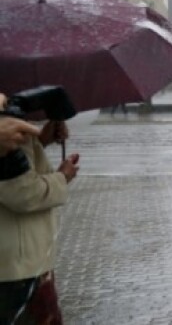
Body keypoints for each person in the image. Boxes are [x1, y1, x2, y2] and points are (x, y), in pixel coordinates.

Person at [0, 93, 80, 324]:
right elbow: (23, 193)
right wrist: (62, 177)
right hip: (19, 269)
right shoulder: (5, 127)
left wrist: (40, 140)